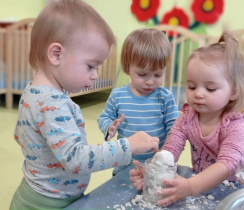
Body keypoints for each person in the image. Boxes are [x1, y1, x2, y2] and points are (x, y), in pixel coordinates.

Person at [9, 0, 159, 209]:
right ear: (56, 54)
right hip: (50, 203)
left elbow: (19, 136)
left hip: (33, 192)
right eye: (91, 66)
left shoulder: (31, 92)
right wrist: (128, 145)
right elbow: (76, 159)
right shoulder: (52, 104)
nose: (95, 75)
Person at [129, 31, 244, 207]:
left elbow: (225, 166)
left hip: (237, 189)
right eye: (191, 86)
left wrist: (189, 186)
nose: (198, 94)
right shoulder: (187, 118)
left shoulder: (236, 124)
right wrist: (154, 172)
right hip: (204, 185)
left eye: (210, 88)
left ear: (233, 91)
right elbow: (170, 151)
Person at [97, 28, 179, 176]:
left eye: (158, 74)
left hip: (156, 166)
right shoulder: (117, 95)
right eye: (142, 74)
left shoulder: (165, 97)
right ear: (128, 67)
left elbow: (175, 129)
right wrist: (109, 126)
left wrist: (167, 151)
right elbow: (103, 118)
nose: (150, 81)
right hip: (125, 167)